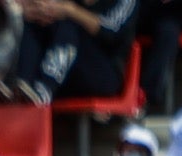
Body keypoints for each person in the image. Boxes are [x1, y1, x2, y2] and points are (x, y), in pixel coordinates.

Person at [8, 0, 137, 105]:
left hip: (103, 74)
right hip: (67, 73)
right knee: (35, 22)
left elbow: (111, 31)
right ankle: (22, 87)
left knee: (67, 25)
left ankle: (44, 90)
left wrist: (71, 10)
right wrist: (34, 10)